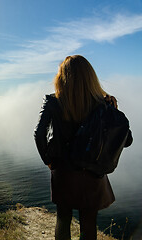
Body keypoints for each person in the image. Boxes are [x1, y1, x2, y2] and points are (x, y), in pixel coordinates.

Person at [34, 55, 133, 240]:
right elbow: (126, 140)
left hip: (62, 170)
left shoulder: (53, 102)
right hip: (92, 170)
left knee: (63, 219)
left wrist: (47, 160)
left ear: (61, 77)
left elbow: (39, 134)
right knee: (88, 222)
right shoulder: (102, 104)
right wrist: (114, 111)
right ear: (90, 76)